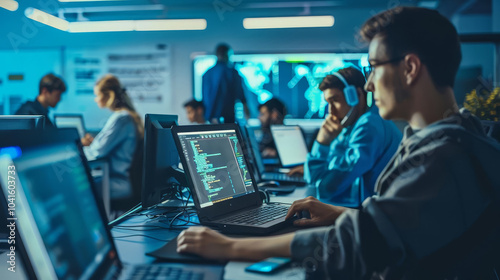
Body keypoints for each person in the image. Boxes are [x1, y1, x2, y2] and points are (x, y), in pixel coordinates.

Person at [176, 7, 500, 278]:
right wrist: (338, 213)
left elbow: (355, 247)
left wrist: (229, 247)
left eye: (373, 68)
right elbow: (394, 221)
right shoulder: (455, 135)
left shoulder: (441, 158)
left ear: (410, 68)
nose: (369, 85)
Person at [303, 68, 402, 207]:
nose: (330, 111)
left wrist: (322, 143)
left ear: (356, 96)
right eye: (328, 103)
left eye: (335, 100)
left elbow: (326, 188)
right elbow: (314, 180)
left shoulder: (369, 125)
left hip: (376, 217)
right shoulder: (353, 126)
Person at [82, 74, 144, 200]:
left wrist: (78, 149)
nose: (96, 99)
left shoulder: (121, 118)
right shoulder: (126, 116)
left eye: (97, 95)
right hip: (121, 180)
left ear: (108, 95)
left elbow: (98, 153)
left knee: (79, 187)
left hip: (119, 183)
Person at [202, 43, 247, 123]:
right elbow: (240, 95)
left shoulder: (207, 73)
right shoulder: (232, 72)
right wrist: (247, 115)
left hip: (210, 118)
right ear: (228, 55)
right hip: (227, 118)